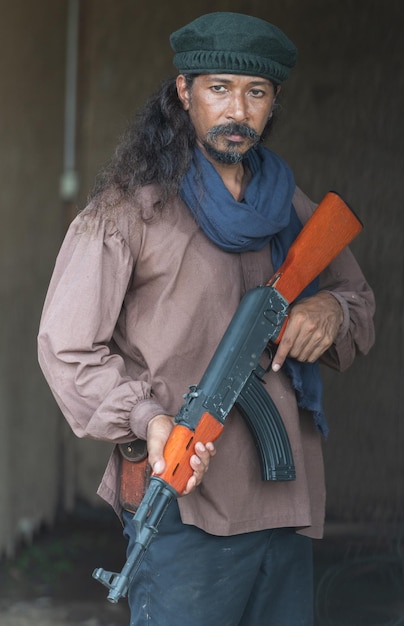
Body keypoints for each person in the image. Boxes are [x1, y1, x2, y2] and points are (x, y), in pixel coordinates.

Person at [38, 11, 375, 626]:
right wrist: (147, 418)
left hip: (288, 509)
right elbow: (66, 350)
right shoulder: (128, 213)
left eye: (256, 93)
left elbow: (359, 305)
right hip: (183, 509)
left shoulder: (292, 207)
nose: (237, 110)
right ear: (184, 92)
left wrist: (331, 310)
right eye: (219, 89)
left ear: (273, 104)